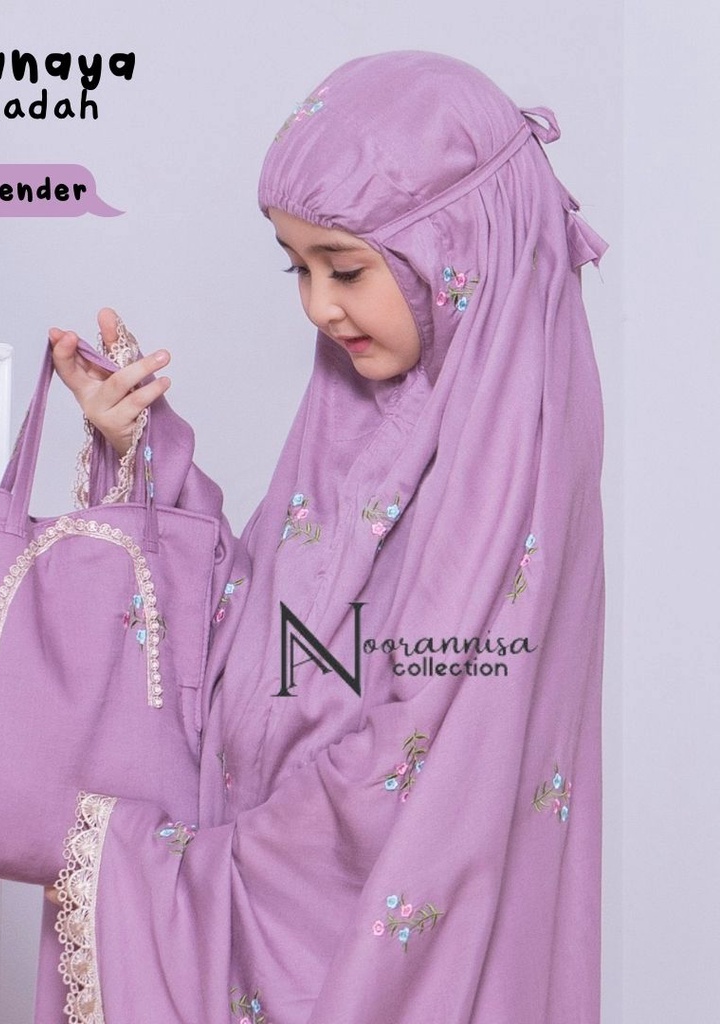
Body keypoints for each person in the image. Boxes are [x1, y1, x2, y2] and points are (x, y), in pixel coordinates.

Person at [44, 51, 605, 1024]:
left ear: (459, 251)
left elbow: (415, 765)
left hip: (343, 942)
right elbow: (263, 638)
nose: (317, 304)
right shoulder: (356, 423)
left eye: (344, 267)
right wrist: (142, 455)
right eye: (296, 266)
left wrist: (159, 875)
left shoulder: (507, 467)